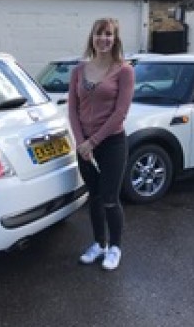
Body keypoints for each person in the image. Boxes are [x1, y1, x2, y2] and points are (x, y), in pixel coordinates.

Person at [67, 18, 135, 270]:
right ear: (92, 37)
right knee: (94, 197)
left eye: (109, 34)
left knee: (109, 198)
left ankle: (115, 247)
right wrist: (81, 142)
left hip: (111, 143)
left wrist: (93, 142)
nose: (103, 38)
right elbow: (72, 110)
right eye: (99, 33)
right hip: (84, 145)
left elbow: (120, 112)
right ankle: (99, 243)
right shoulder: (78, 71)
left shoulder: (124, 70)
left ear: (115, 39)